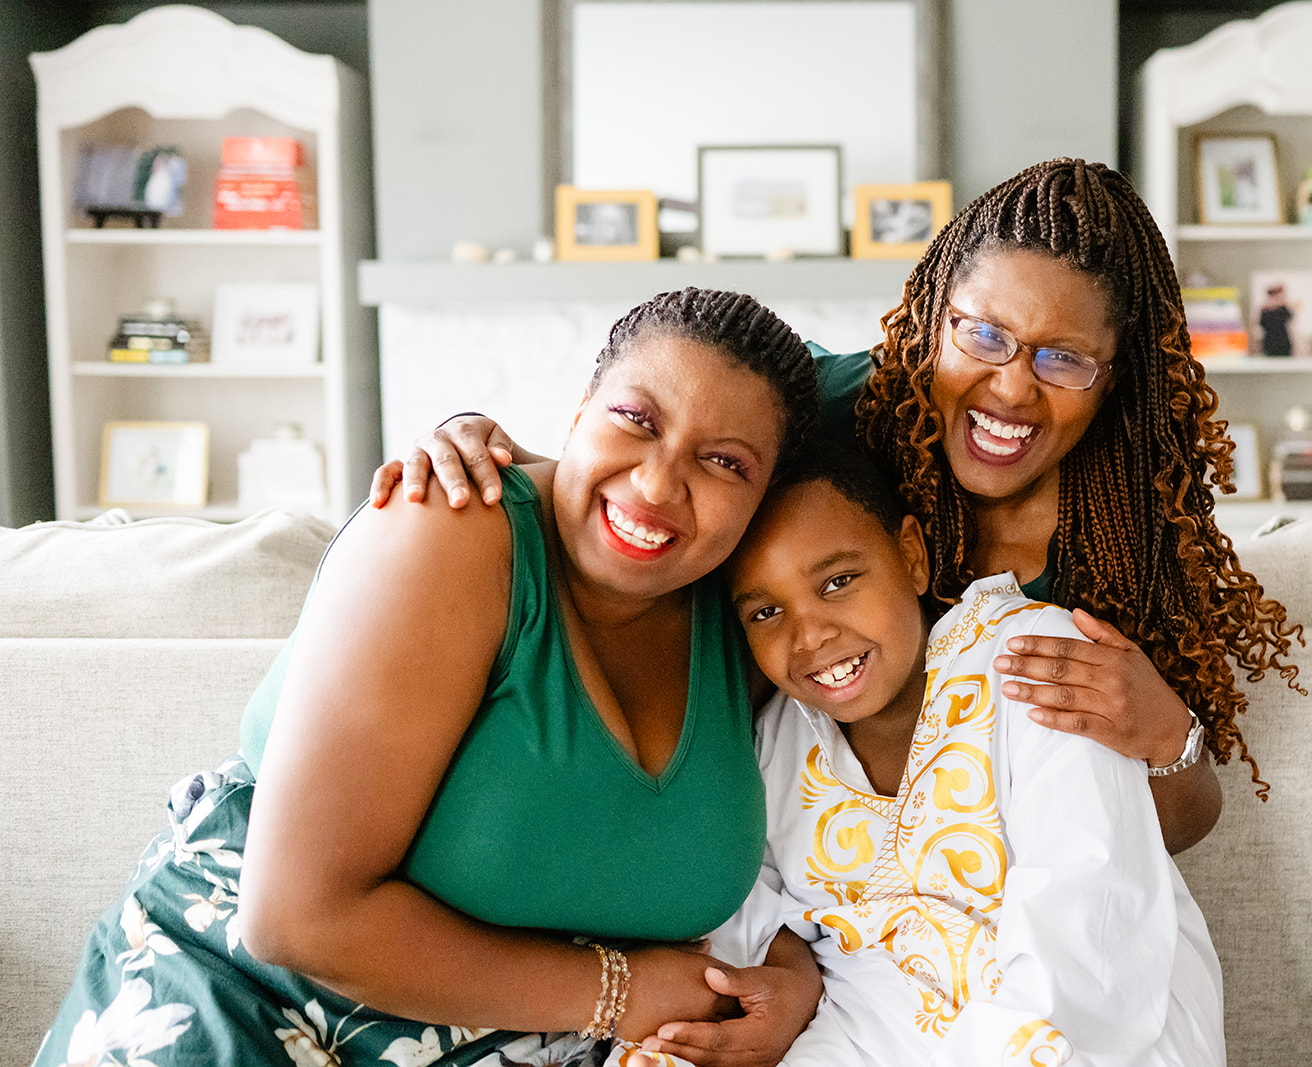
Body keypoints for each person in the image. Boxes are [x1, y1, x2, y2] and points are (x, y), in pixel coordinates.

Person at [373, 157, 1305, 846]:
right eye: (982, 333)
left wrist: (1170, 734)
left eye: (1063, 358)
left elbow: (1169, 827)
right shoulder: (835, 407)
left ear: (1114, 378)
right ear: (936, 311)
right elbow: (637, 478)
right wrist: (475, 439)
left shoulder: (1129, 534)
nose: (1012, 390)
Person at [32, 289, 828, 1067]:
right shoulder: (452, 528)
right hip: (246, 997)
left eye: (725, 462)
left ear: (766, 495)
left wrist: (792, 980)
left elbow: (831, 859)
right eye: (635, 419)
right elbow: (293, 920)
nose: (656, 485)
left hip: (520, 1037)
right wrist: (618, 992)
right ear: (581, 405)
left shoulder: (754, 622)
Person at [626, 444, 1225, 1066]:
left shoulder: (1031, 662)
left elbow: (1089, 928)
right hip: (864, 1031)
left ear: (910, 556)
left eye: (838, 582)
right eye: (766, 611)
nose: (810, 636)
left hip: (1067, 1030)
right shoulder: (775, 737)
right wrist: (785, 980)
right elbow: (756, 911)